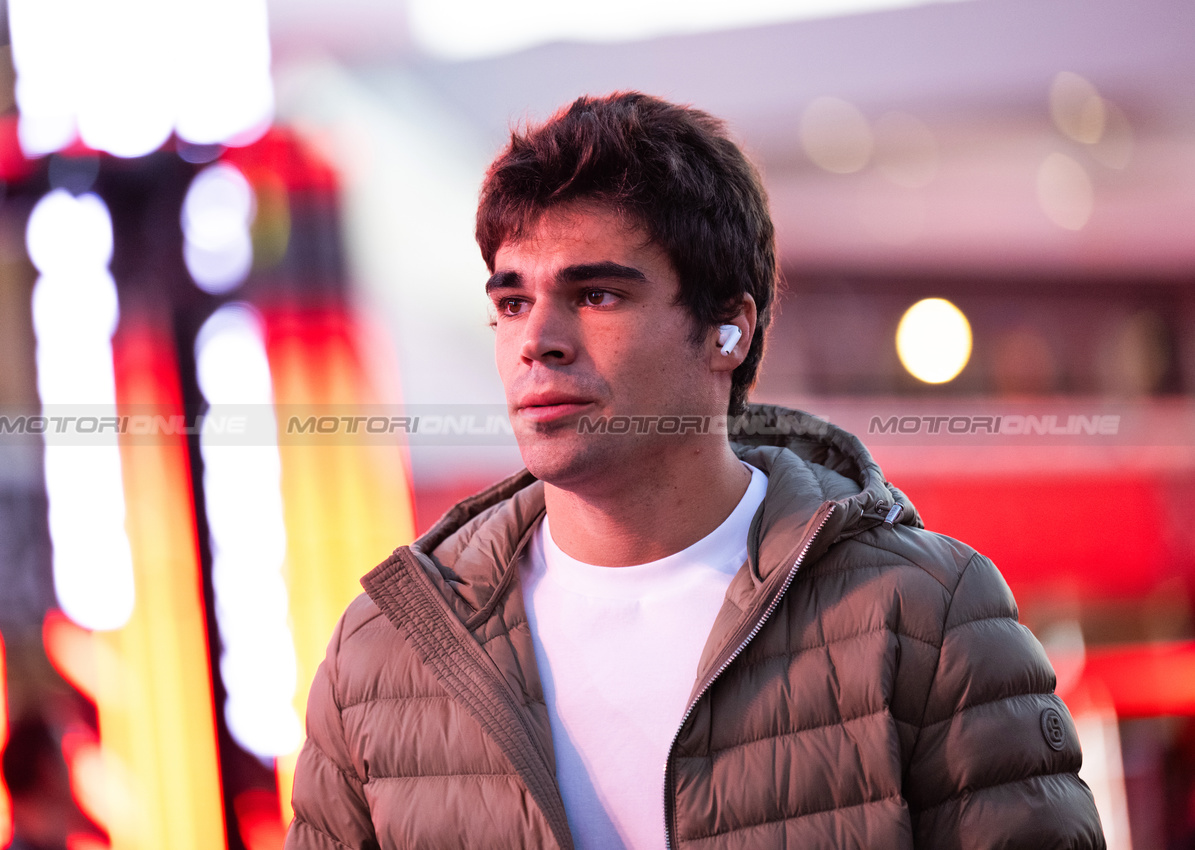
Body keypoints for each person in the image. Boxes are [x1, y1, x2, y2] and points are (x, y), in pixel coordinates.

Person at [284, 92, 1104, 849]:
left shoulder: (923, 614)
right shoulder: (386, 654)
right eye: (511, 302)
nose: (538, 340)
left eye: (597, 294)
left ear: (727, 330)